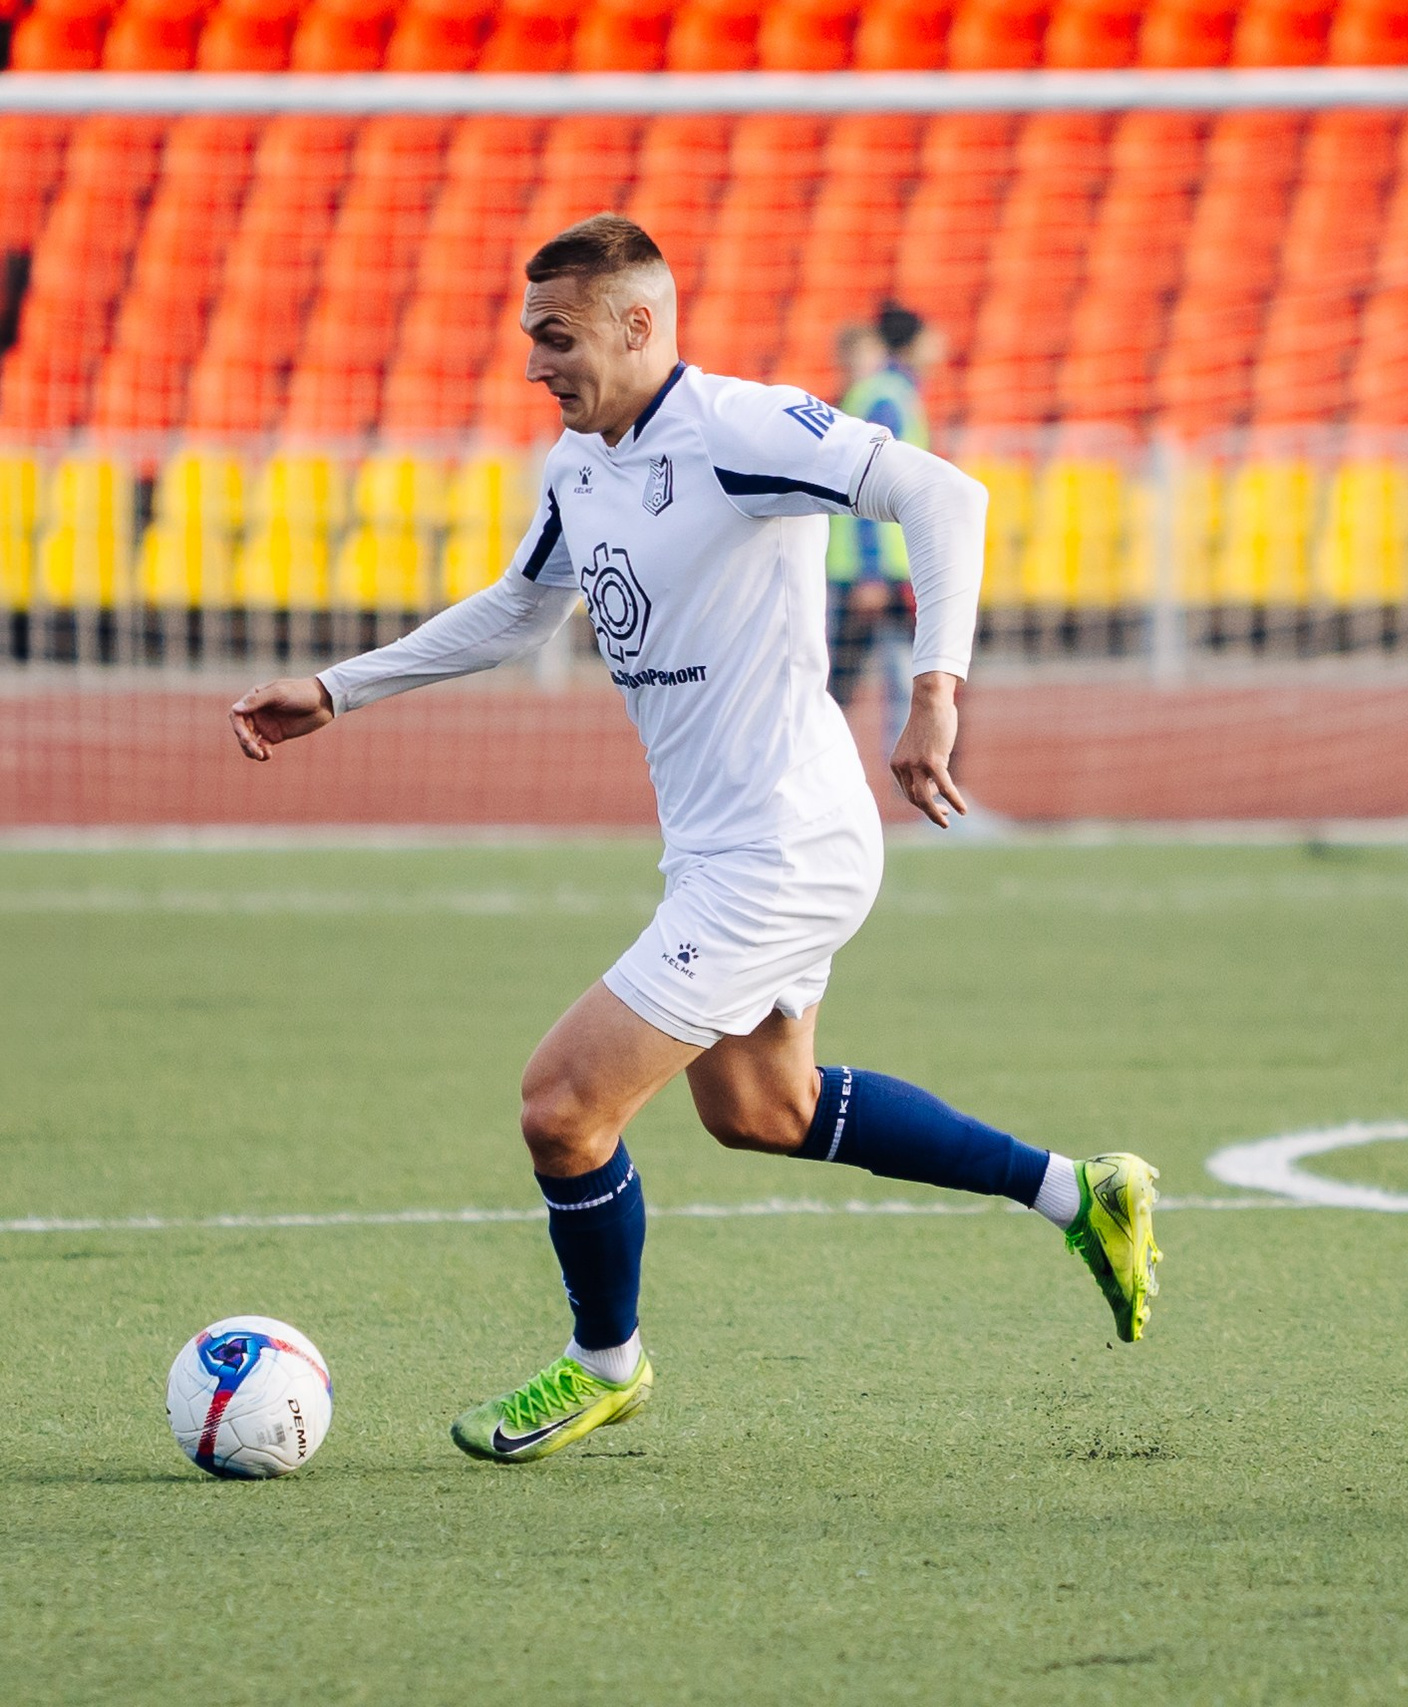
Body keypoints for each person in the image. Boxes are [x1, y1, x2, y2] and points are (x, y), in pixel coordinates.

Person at [227, 215, 1160, 1465]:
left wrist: (935, 689)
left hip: (786, 846)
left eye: (557, 339)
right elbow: (520, 610)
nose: (535, 365)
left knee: (562, 1107)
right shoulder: (578, 467)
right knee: (764, 1109)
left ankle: (604, 1364)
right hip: (725, 848)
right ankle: (1076, 1192)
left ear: (637, 326)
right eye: (529, 339)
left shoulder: (738, 429)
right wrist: (338, 691)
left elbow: (944, 493)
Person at [827, 302, 944, 757]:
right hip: (878, 571)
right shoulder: (886, 397)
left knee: (851, 686)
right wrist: (872, 571)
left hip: (877, 567)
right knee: (921, 678)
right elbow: (870, 485)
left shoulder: (885, 393)